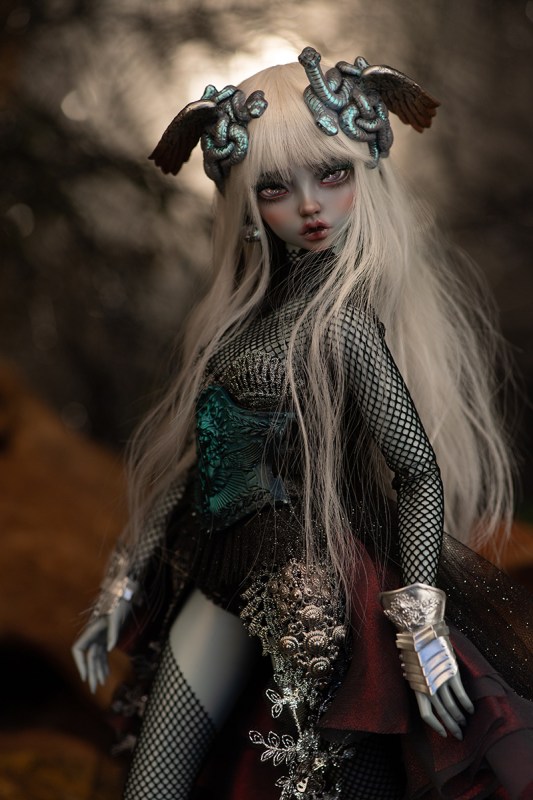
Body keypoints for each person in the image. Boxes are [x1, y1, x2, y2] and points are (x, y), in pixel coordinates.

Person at [72, 47, 533, 799]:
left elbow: (417, 473)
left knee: (318, 779)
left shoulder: (344, 325)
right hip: (217, 573)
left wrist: (421, 629)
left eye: (332, 175)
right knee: (156, 781)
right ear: (248, 207)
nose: (310, 206)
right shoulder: (238, 330)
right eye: (276, 188)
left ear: (363, 174)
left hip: (308, 587)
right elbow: (198, 468)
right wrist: (119, 591)